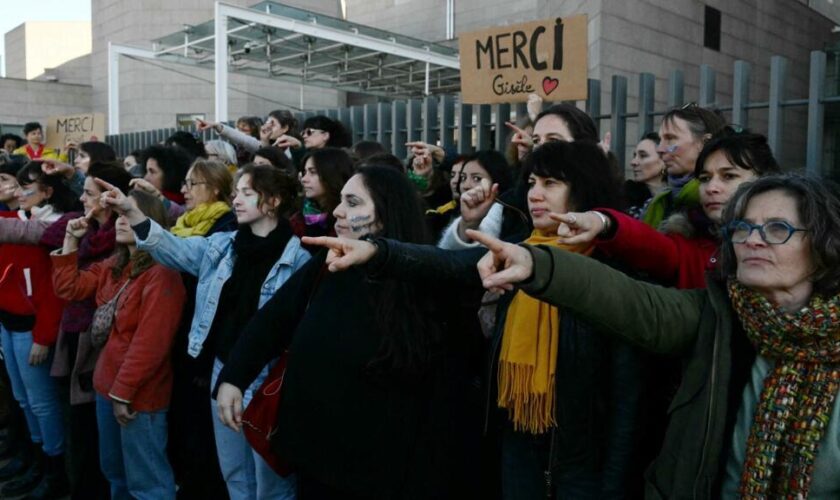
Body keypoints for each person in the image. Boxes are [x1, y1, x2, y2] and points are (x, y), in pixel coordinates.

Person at [302, 141, 641, 499]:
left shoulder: (615, 271)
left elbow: (626, 397)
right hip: (516, 436)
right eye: (531, 183)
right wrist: (377, 250)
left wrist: (616, 483)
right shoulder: (519, 251)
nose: (536, 194)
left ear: (584, 188)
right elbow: (446, 264)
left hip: (582, 455)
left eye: (551, 184)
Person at [470, 173, 840, 498]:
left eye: (778, 228)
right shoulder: (717, 315)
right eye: (743, 227)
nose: (753, 240)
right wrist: (536, 263)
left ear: (824, 245)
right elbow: (633, 303)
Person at [216, 167, 476, 499]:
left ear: (384, 217)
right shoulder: (329, 259)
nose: (338, 211)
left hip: (383, 467)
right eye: (340, 200)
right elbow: (275, 318)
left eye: (352, 203)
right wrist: (234, 376)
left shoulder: (423, 284)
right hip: (315, 452)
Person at [110, 164, 308, 500]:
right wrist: (131, 210)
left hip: (269, 377)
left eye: (248, 193)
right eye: (237, 193)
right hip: (223, 369)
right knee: (234, 471)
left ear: (273, 201)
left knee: (271, 480)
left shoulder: (299, 259)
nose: (237, 200)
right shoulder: (222, 245)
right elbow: (172, 249)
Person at [52, 189, 186, 500]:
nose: (121, 221)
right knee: (116, 475)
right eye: (120, 215)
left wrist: (124, 392)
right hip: (107, 386)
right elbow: (69, 288)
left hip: (139, 394)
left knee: (148, 484)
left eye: (130, 214)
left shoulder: (162, 272)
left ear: (150, 221)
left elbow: (151, 343)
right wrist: (71, 242)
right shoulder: (117, 264)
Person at [554, 129, 783, 290]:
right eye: (704, 178)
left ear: (764, 180)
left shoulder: (798, 243)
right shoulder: (688, 244)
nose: (712, 188)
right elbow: (652, 246)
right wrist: (603, 222)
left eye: (729, 176)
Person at [0, 162, 80, 498]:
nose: (19, 192)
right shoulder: (19, 220)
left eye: (25, 185)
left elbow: (53, 291)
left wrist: (44, 336)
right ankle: (35, 457)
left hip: (33, 329)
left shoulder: (52, 228)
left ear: (47, 191)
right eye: (15, 185)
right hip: (9, 322)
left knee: (42, 403)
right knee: (23, 399)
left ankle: (54, 468)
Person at [440, 103, 603, 250]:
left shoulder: (610, 227)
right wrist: (468, 225)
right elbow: (462, 263)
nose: (539, 149)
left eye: (553, 140)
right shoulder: (509, 203)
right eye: (536, 140)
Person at [642, 104, 725, 228]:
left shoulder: (720, 200)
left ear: (705, 143)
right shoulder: (658, 203)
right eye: (660, 140)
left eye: (670, 138)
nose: (660, 149)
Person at [289, 147, 353, 250]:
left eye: (313, 172)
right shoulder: (297, 218)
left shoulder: (348, 218)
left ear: (332, 174)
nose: (304, 179)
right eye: (305, 172)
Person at [625, 132, 667, 219]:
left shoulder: (678, 194)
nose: (633, 162)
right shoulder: (625, 195)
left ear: (664, 160)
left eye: (643, 156)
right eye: (634, 155)